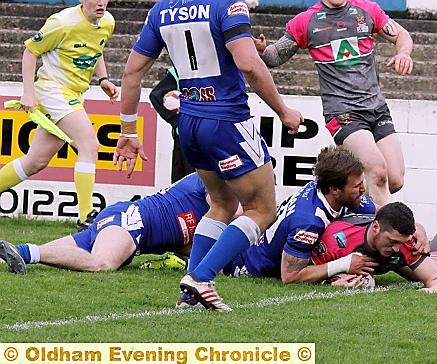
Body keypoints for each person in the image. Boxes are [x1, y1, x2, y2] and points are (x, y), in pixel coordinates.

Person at [113, 0, 303, 312]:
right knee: (262, 210)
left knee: (222, 204)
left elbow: (132, 72)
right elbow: (249, 65)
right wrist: (283, 111)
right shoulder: (228, 6)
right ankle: (201, 277)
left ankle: (190, 294)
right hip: (227, 120)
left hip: (190, 122)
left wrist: (129, 131)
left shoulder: (161, 11)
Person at [254, 0, 413, 206]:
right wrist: (262, 50)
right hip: (343, 112)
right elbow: (275, 56)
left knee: (394, 179)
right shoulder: (306, 21)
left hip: (377, 108)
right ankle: (389, 236)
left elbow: (402, 35)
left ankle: (342, 210)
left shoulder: (367, 10)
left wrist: (403, 53)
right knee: (377, 171)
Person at [222, 145, 427, 285]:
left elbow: (383, 213)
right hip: (247, 266)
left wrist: (416, 227)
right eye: (357, 186)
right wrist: (345, 265)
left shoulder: (336, 194)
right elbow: (290, 276)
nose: (363, 189)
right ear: (335, 189)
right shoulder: (308, 222)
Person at [0, 0, 119, 231]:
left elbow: (97, 49)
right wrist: (28, 93)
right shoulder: (62, 22)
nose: (101, 2)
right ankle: (86, 217)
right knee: (89, 144)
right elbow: (30, 52)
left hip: (73, 93)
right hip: (53, 90)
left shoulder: (107, 21)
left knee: (36, 161)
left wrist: (103, 79)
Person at [0, 173, 211, 275]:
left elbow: (201, 256)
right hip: (132, 219)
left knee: (65, 252)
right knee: (103, 263)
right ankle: (25, 252)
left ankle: (11, 254)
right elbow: (235, 213)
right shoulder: (217, 179)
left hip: (126, 221)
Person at [311, 195, 437, 292]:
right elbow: (302, 273)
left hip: (391, 261)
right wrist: (329, 280)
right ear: (375, 227)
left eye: (399, 243)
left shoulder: (403, 244)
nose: (395, 248)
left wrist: (431, 290)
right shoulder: (337, 239)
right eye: (392, 241)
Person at [148, 67, 194, 183]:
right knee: (183, 182)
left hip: (197, 137)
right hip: (186, 139)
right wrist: (177, 121)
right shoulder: (178, 71)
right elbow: (156, 96)